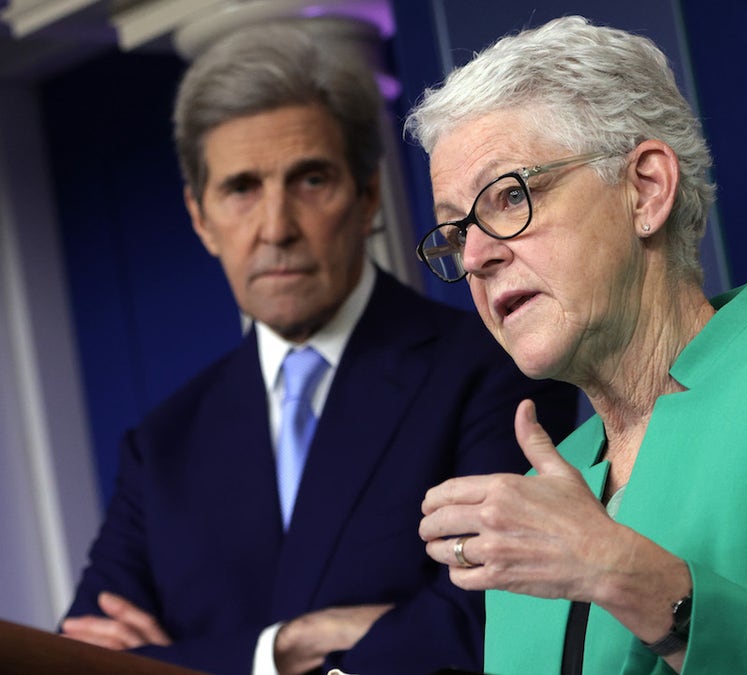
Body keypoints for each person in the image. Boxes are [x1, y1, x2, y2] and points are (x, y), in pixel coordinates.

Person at [409, 15, 747, 675]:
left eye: (509, 197)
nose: (474, 255)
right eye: (454, 232)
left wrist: (617, 569)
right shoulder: (533, 499)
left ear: (646, 189)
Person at [59, 19, 577, 675]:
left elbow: (494, 625)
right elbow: (76, 659)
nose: (276, 228)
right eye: (241, 189)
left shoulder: (491, 369)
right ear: (200, 217)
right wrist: (285, 646)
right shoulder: (161, 446)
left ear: (366, 198)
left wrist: (174, 657)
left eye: (310, 181)